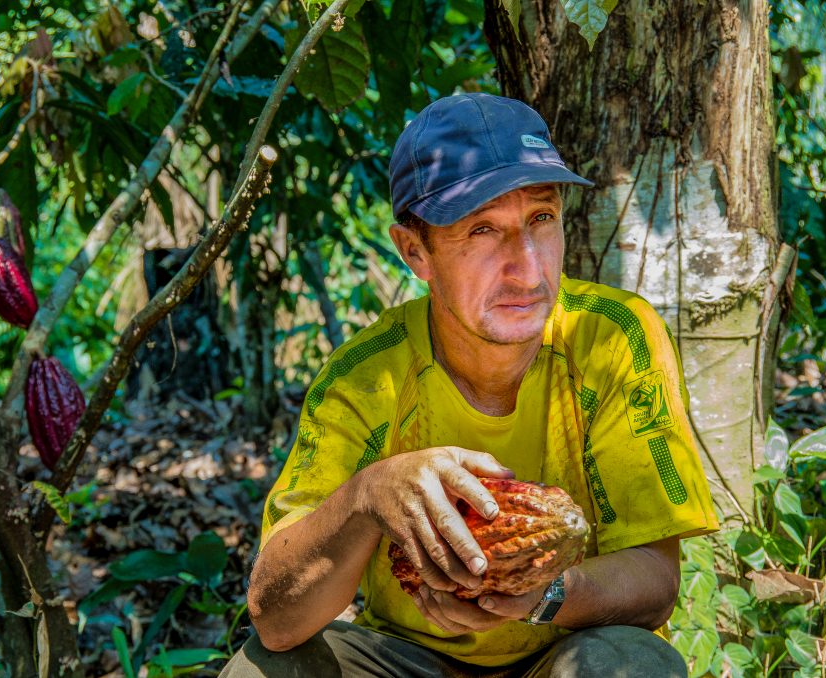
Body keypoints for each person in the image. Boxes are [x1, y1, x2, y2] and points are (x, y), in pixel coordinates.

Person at [220, 93, 719, 677]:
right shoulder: (364, 379)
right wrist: (366, 497)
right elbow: (277, 620)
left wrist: (543, 594)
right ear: (415, 251)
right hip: (406, 661)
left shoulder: (612, 339)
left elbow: (657, 582)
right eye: (482, 230)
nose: (528, 270)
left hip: (559, 650)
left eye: (541, 218)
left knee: (631, 663)